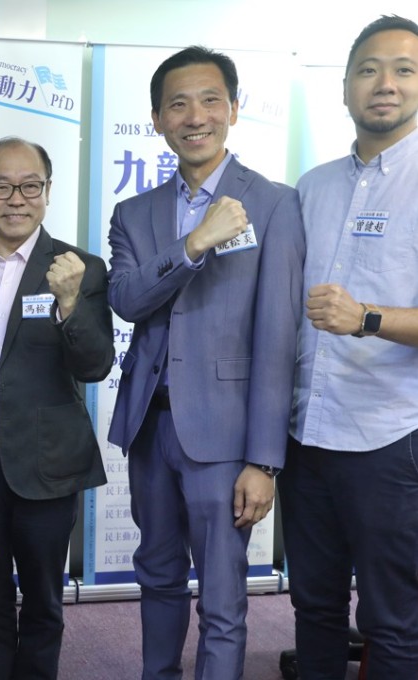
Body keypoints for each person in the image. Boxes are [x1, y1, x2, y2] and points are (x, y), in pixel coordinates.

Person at [106, 46, 304, 679]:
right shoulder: (133, 215)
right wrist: (194, 245)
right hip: (149, 429)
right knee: (157, 578)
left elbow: (278, 337)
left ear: (235, 110)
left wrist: (264, 459)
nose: (196, 116)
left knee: (222, 600)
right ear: (158, 120)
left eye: (210, 100)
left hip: (225, 438)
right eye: (178, 104)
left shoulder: (274, 204)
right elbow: (129, 301)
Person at [281, 14, 418, 678]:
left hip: (389, 436)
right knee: (314, 606)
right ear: (344, 89)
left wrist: (366, 319)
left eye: (403, 70)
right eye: (368, 70)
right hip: (308, 433)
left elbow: (357, 316)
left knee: (394, 620)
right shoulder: (313, 186)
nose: (384, 84)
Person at [0, 137, 113, 679]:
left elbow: (95, 365)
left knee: (45, 600)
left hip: (48, 463)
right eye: (1, 186)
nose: (15, 199)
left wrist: (69, 302)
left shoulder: (81, 268)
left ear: (47, 192)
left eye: (30, 186)